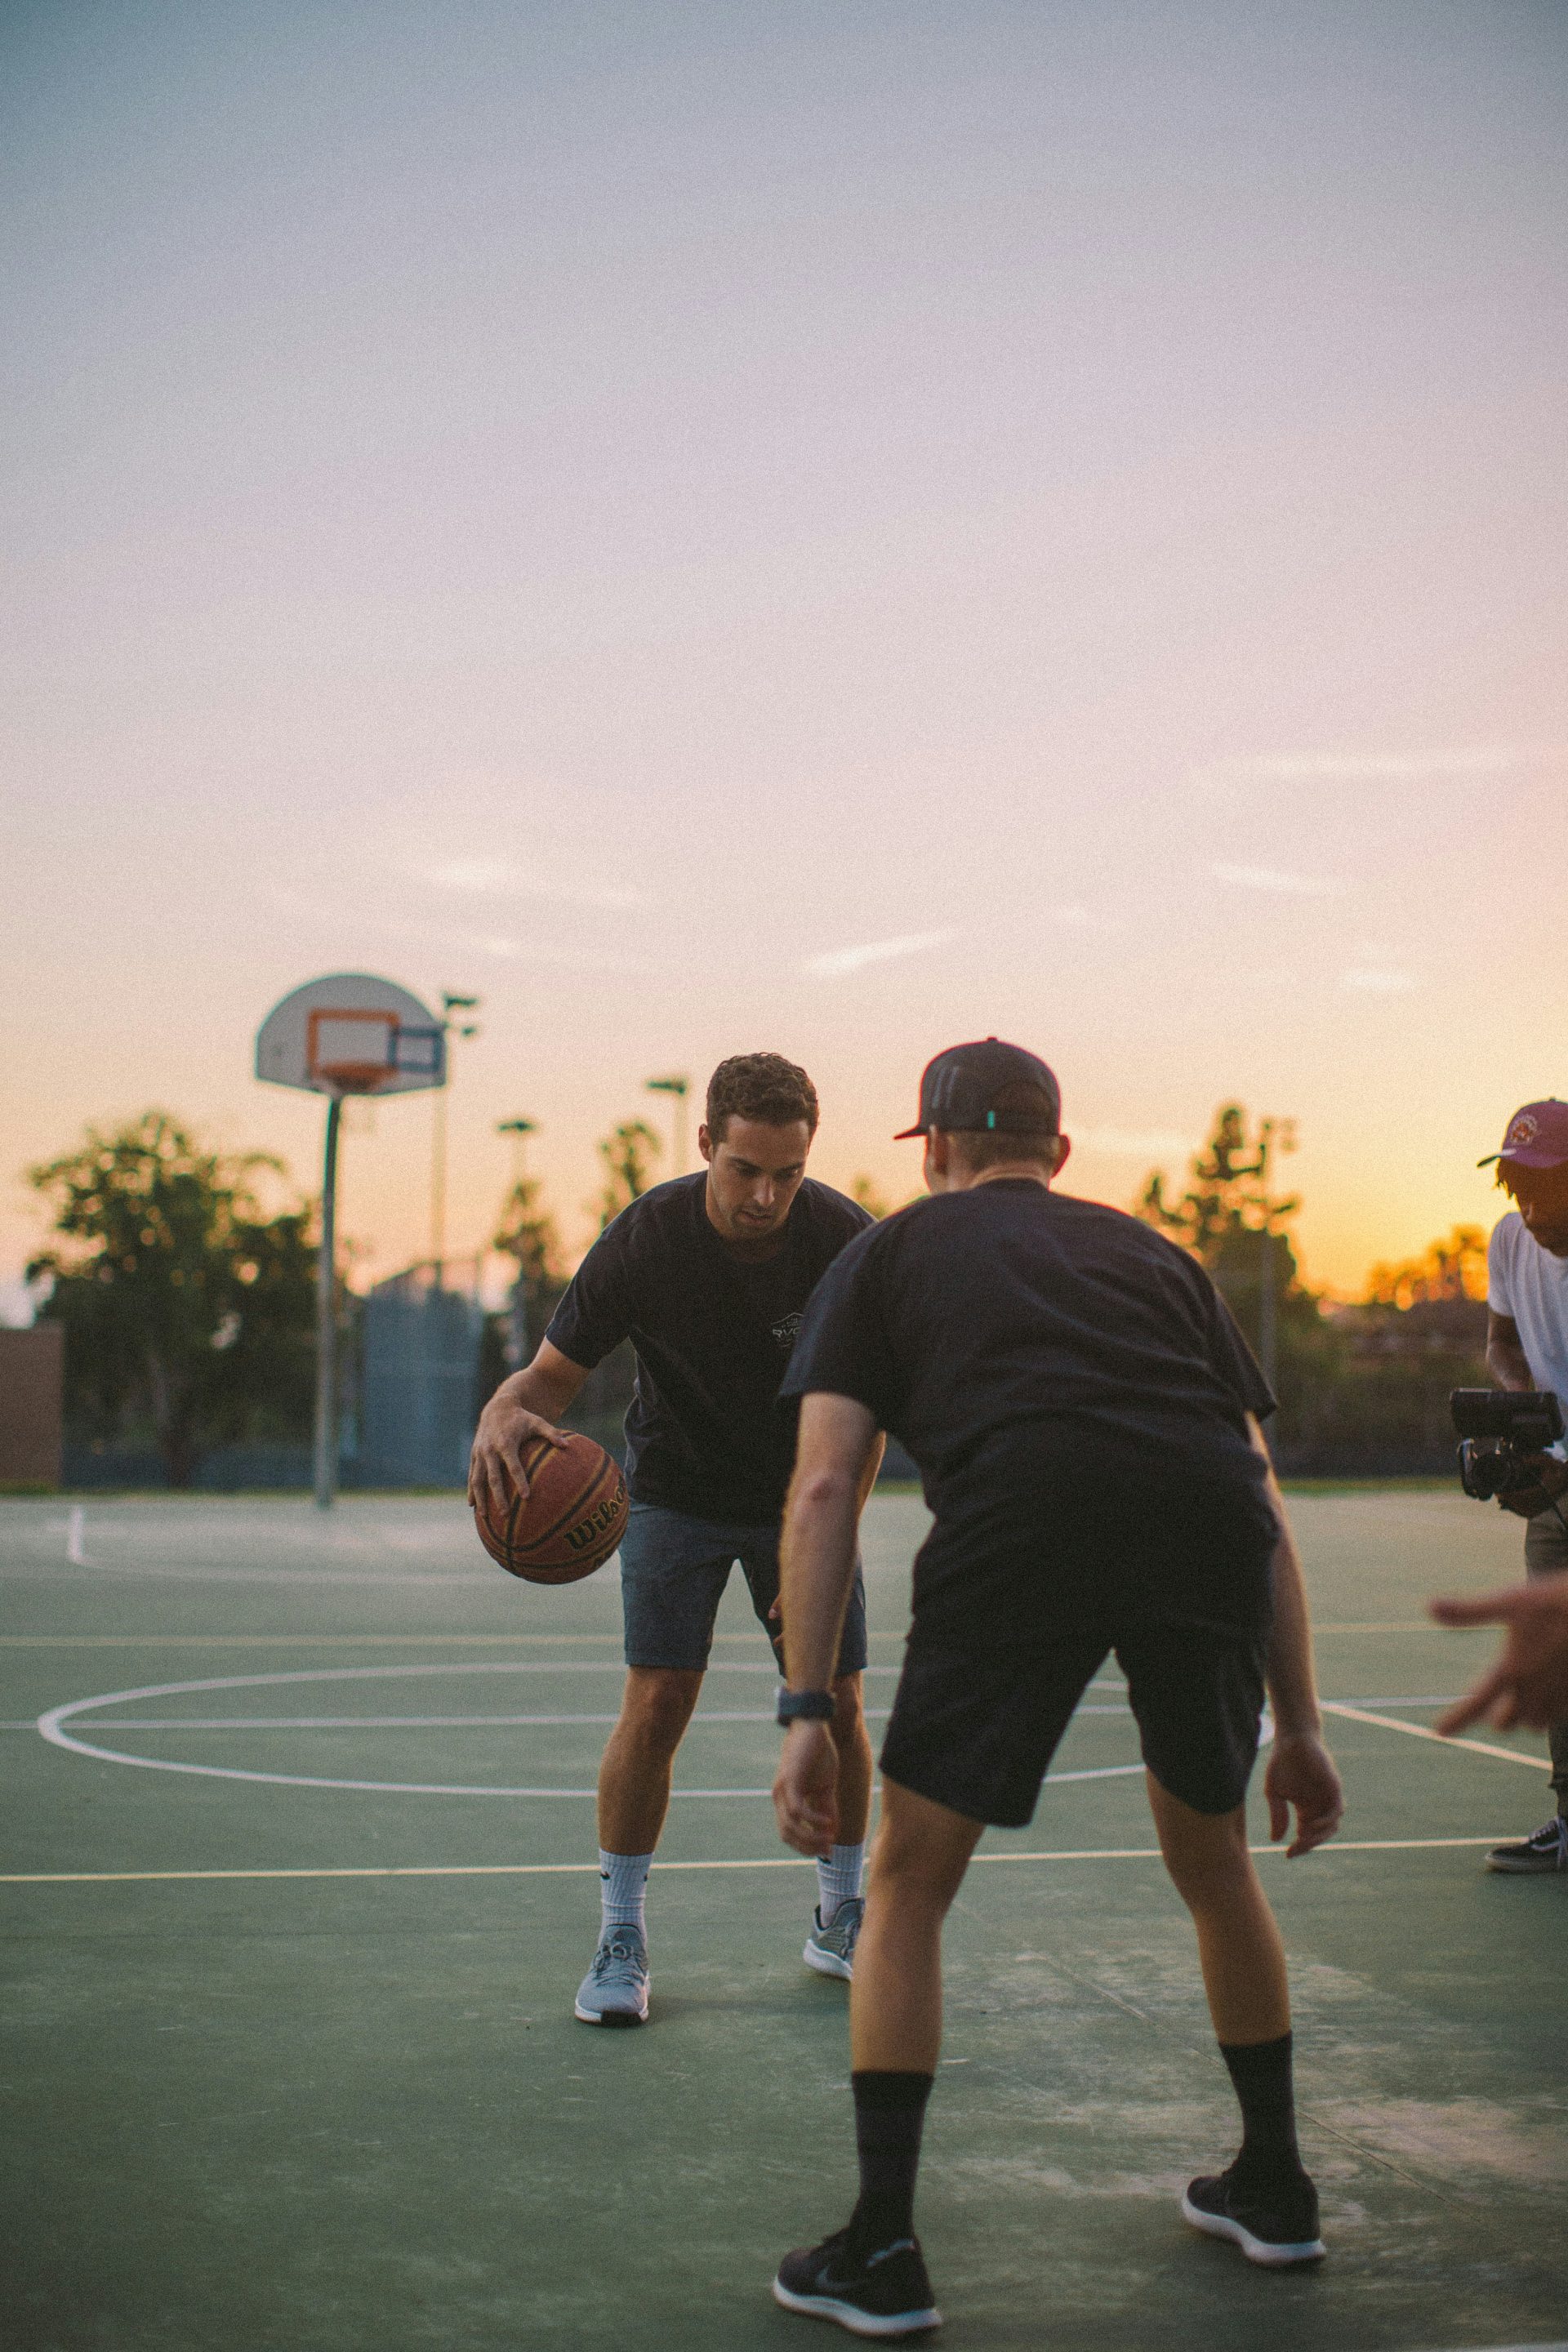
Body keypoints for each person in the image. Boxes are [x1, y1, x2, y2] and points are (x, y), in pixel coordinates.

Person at [767, 1038, 1343, 2337]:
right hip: (1201, 1523)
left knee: (909, 1881)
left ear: (937, 1150)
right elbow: (1258, 1494)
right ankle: (1276, 2182)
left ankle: (882, 2245)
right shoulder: (1159, 1259)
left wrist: (810, 1712)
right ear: (1059, 1152)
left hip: (1025, 1513)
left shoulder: (893, 1252)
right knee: (1215, 1863)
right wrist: (1300, 1725)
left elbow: (820, 1489)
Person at [469, 1052, 880, 2028]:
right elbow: (549, 1383)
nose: (767, 1195)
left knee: (845, 1707)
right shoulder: (647, 1239)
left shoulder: (843, 1241)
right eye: (746, 1170)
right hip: (678, 1492)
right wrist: (501, 1405)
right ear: (706, 1146)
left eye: (788, 1172)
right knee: (658, 1701)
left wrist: (823, 1538)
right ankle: (620, 1935)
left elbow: (870, 1415)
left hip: (805, 1496)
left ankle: (842, 1913)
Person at [1437, 1099, 1568, 1870]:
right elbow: (1500, 1340)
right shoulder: (1511, 1240)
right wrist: (1520, 1404)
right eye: (1517, 1183)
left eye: (1547, 1185)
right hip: (1554, 1477)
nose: (1528, 1203)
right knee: (1554, 1659)